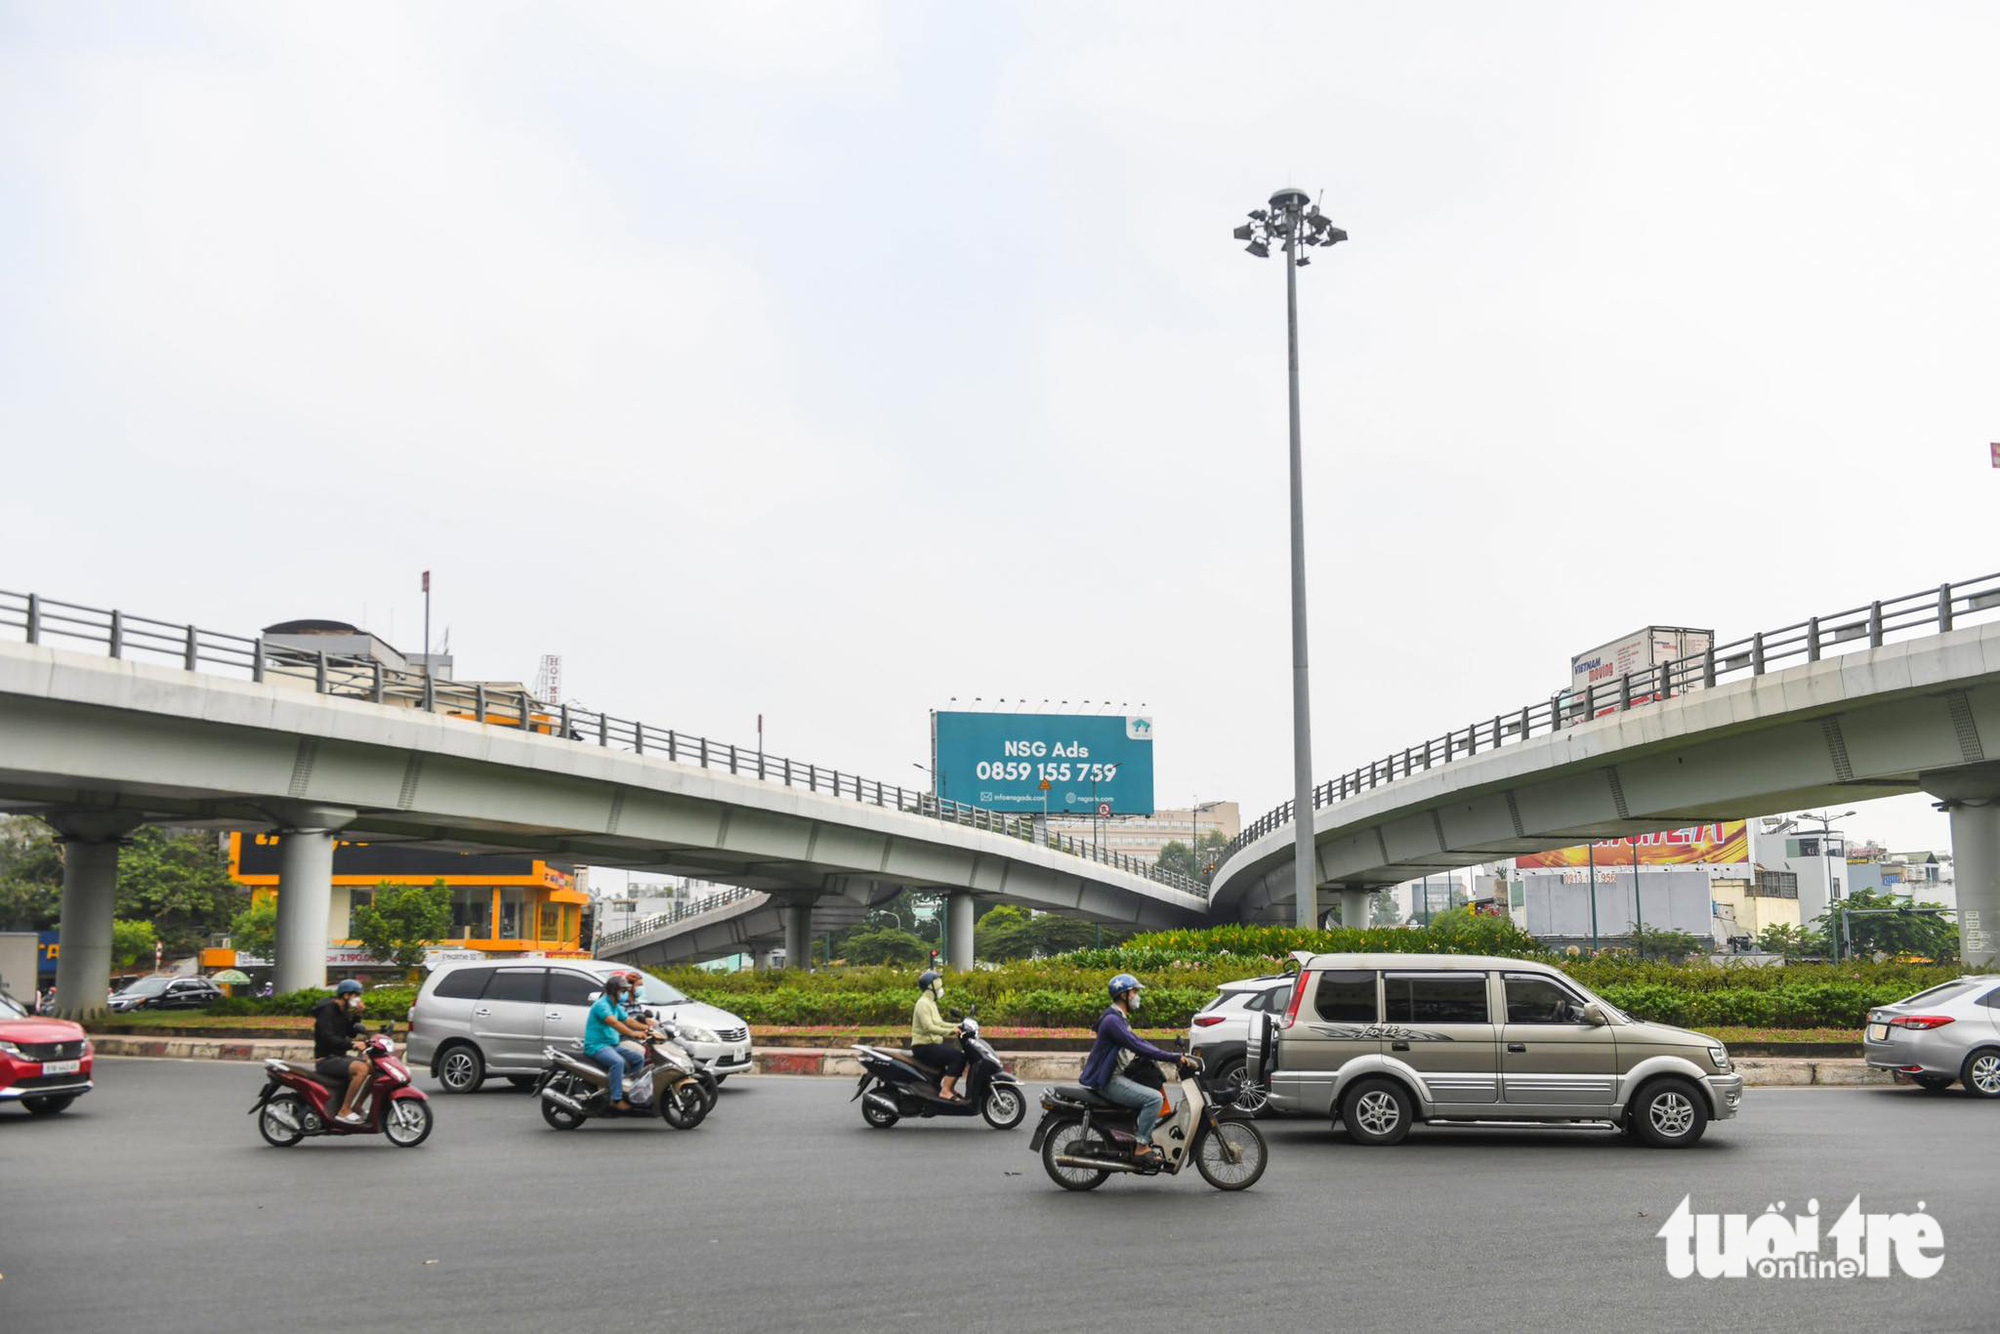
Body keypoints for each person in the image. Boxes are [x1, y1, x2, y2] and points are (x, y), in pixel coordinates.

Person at [1078, 973, 1194, 1164]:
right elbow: (1136, 1045)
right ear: (1123, 995)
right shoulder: (1112, 1021)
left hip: (1115, 1075)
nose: (1137, 996)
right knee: (1153, 1099)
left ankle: (1141, 1133)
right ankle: (1141, 1147)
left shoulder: (1118, 1018)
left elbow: (1139, 1042)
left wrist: (1170, 1055)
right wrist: (1173, 1058)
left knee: (1152, 1083)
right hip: (1109, 1080)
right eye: (1134, 992)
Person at [585, 973, 652, 1111]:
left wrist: (649, 1029)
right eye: (622, 991)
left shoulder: (615, 1006)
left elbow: (629, 1021)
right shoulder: (601, 1005)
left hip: (611, 1045)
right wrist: (633, 1033)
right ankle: (615, 1099)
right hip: (597, 1046)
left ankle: (629, 1091)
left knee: (638, 1058)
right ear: (614, 991)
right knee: (618, 1062)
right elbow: (614, 1023)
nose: (625, 994)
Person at [311, 979, 371, 1125]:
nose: (358, 999)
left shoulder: (343, 1011)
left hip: (338, 1057)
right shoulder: (327, 1010)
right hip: (325, 1060)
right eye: (355, 995)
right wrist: (353, 1045)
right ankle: (344, 1111)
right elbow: (328, 1038)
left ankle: (357, 1106)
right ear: (346, 995)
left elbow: (350, 1033)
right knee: (362, 1069)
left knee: (373, 1066)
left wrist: (357, 1014)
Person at [909, 969, 967, 1101]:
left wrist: (960, 1025)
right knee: (958, 1058)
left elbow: (939, 1023)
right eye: (938, 983)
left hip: (931, 1044)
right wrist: (951, 1031)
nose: (941, 986)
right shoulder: (923, 1004)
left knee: (958, 1056)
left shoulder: (931, 1002)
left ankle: (948, 1088)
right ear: (932, 986)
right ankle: (945, 1091)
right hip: (923, 1047)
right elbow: (928, 1027)